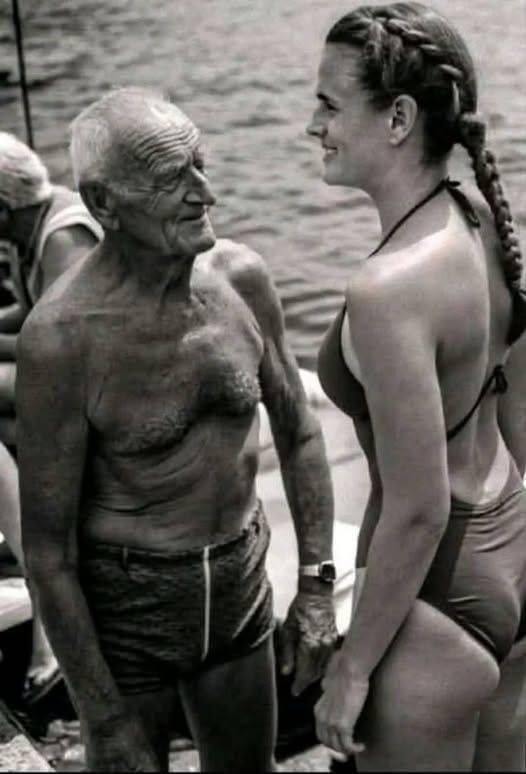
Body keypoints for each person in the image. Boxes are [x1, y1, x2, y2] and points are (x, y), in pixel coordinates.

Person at [16, 87, 338, 772]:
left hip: (238, 584)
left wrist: (316, 587)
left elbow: (301, 434)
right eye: (172, 179)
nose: (205, 193)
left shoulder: (241, 280)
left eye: (201, 164)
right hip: (128, 611)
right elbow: (47, 554)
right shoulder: (64, 338)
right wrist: (102, 717)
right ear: (103, 204)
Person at [306, 3, 526, 770]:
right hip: (512, 552)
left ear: (398, 118)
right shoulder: (483, 222)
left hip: (434, 601)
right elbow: (517, 407)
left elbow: (419, 508)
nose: (313, 126)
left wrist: (352, 668)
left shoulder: (386, 289)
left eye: (330, 105)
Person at [0, 132, 102, 703]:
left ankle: (44, 587)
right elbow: (31, 310)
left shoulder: (63, 237)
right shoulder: (26, 234)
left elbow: (62, 345)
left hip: (92, 386)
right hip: (57, 381)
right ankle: (28, 547)